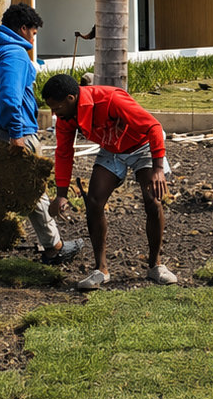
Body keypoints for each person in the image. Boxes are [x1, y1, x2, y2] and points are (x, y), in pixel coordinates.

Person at [0, 2, 83, 272]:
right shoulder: (14, 53)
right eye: (34, 33)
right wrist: (16, 133)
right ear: (23, 28)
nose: (33, 39)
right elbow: (9, 96)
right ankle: (53, 248)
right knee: (34, 191)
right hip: (8, 135)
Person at [42, 73, 175, 291]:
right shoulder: (67, 118)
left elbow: (153, 127)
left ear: (70, 98)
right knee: (93, 201)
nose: (54, 114)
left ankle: (155, 265)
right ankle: (101, 270)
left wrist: (158, 169)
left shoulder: (111, 99)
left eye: (56, 108)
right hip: (112, 148)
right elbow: (64, 153)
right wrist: (62, 194)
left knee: (152, 199)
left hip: (142, 146)